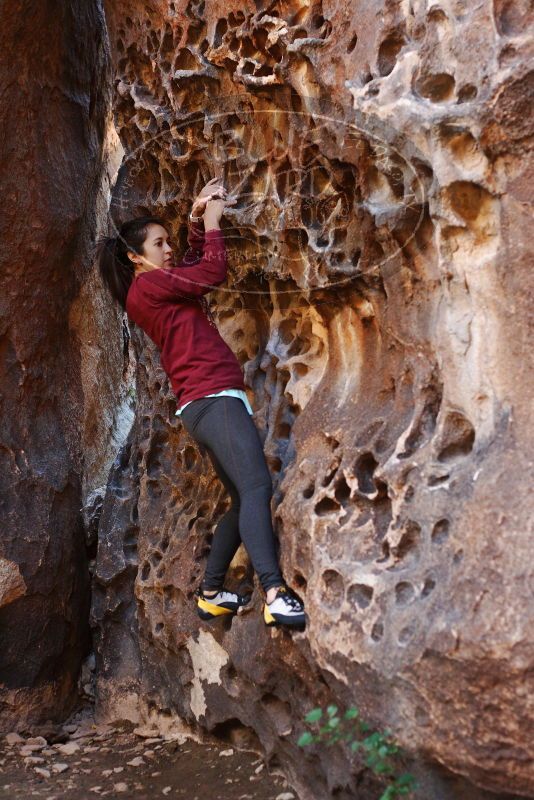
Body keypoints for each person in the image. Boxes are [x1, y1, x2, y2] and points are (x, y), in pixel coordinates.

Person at [96, 177, 306, 629]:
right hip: (213, 398)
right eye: (159, 243)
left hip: (203, 404)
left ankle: (211, 594)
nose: (167, 249)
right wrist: (212, 224)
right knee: (256, 489)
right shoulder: (147, 289)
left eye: (168, 241)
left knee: (239, 497)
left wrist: (195, 219)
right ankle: (275, 592)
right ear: (136, 257)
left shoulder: (152, 288)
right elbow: (210, 273)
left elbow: (190, 270)